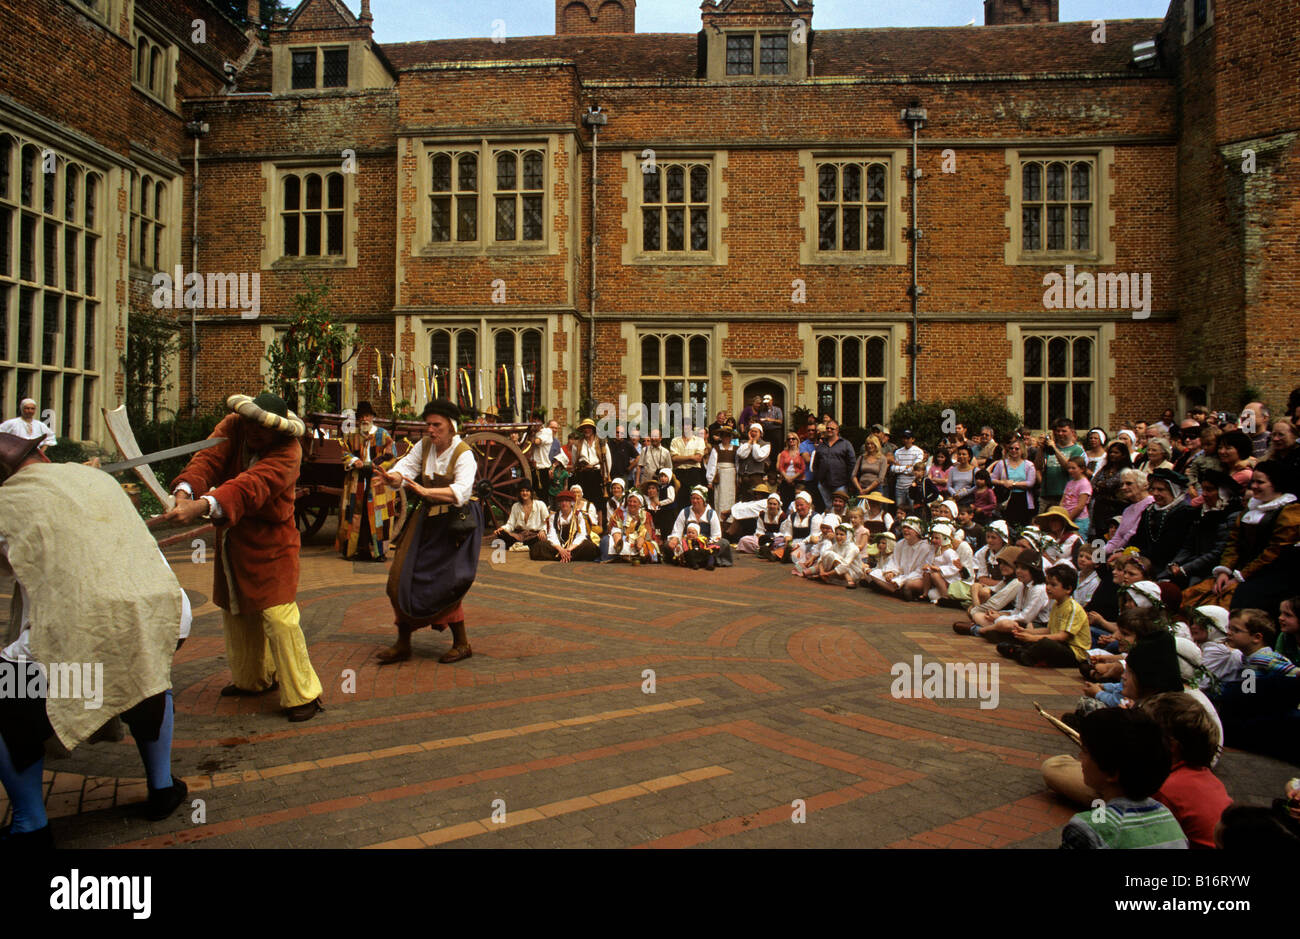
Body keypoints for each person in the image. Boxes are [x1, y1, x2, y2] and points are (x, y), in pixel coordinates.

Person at [0, 434, 188, 846]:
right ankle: (161, 789)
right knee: (148, 676)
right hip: (166, 612)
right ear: (43, 454)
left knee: (9, 692)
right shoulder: (98, 479)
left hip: (87, 631)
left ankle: (30, 825)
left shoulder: (7, 503)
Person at [167, 392, 324, 720]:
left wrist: (203, 505)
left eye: (262, 428)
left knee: (279, 618)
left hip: (272, 545)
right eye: (251, 423)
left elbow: (251, 485)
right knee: (237, 612)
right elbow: (206, 460)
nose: (253, 431)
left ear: (278, 431)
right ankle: (252, 680)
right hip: (234, 541)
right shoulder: (235, 425)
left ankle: (303, 694)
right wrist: (184, 491)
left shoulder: (288, 451)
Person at [372, 399, 481, 665]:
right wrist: (393, 478)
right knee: (400, 577)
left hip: (456, 524)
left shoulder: (463, 454)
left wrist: (425, 491)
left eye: (437, 425)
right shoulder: (424, 446)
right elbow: (404, 470)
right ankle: (403, 642)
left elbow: (462, 491)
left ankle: (462, 643)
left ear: (452, 427)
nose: (431, 430)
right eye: (428, 425)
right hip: (426, 520)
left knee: (447, 584)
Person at [1058, 708, 1188, 849]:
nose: (1080, 758)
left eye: (1085, 752)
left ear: (1112, 773)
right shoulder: (1166, 816)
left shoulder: (1088, 829)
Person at [1203, 461, 1300, 616]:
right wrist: (1224, 571)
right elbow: (1234, 542)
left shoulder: (1290, 511)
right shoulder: (1251, 507)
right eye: (1252, 482)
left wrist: (1240, 577)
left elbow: (1274, 552)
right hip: (1241, 570)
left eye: (1260, 482)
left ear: (1276, 484)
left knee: (1235, 602)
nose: (1253, 486)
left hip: (1271, 574)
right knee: (1203, 593)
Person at [336, 401, 398, 562]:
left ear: (372, 417)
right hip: (356, 482)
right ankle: (356, 549)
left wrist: (377, 466)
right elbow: (345, 453)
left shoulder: (383, 435)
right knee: (356, 514)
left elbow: (391, 456)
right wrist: (354, 460)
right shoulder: (352, 435)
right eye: (361, 416)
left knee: (379, 515)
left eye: (367, 416)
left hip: (376, 481)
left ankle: (379, 552)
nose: (364, 419)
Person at [996, 564, 1091, 668]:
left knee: (1045, 643)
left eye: (1053, 585)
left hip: (1074, 653)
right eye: (1047, 584)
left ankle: (1022, 654)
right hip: (1060, 645)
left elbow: (1062, 636)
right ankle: (1023, 653)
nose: (1048, 588)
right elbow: (1050, 630)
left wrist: (1033, 638)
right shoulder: (1056, 604)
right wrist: (1026, 632)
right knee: (1028, 637)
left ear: (1068, 589)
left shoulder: (1072, 608)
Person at [867, 516, 931, 600]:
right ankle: (896, 591)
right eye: (904, 527)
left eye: (909, 528)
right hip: (899, 576)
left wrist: (901, 580)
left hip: (914, 578)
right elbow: (894, 561)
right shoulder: (900, 543)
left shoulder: (925, 547)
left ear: (917, 531)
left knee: (909, 583)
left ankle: (891, 589)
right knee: (875, 573)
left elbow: (920, 571)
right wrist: (891, 572)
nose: (905, 530)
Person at [667, 487, 729, 568]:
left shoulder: (711, 513)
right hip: (688, 543)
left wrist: (705, 543)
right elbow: (677, 530)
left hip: (706, 544)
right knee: (667, 545)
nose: (695, 501)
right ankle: (701, 560)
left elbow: (716, 535)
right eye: (693, 498)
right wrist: (675, 539)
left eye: (698, 498)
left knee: (724, 543)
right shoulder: (685, 512)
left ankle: (694, 559)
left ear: (703, 500)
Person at [532, 490, 599, 562]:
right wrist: (560, 549)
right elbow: (552, 535)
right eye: (562, 501)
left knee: (590, 547)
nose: (564, 503)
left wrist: (568, 549)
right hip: (558, 546)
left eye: (567, 501)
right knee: (539, 547)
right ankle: (567, 556)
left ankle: (563, 556)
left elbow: (581, 535)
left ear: (571, 503)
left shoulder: (579, 515)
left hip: (574, 546)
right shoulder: (553, 517)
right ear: (559, 504)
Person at [1105, 468, 1155, 555]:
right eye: (1122, 484)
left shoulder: (1151, 504)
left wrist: (1115, 552)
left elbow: (1131, 535)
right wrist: (1098, 554)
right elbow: (1117, 538)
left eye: (1129, 483)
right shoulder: (1127, 510)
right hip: (1120, 552)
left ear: (1143, 485)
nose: (1123, 488)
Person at [989, 436, 1037, 526]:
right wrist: (1003, 482)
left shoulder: (1029, 465)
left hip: (1023, 499)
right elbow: (992, 479)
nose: (1013, 450)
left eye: (1017, 448)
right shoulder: (1002, 464)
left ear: (1022, 450)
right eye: (1011, 448)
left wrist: (1013, 484)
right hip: (1006, 498)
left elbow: (1030, 483)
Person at [601, 490, 658, 563]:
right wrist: (618, 539)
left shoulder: (645, 515)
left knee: (648, 546)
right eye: (630, 501)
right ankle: (617, 557)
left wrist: (641, 538)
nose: (631, 504)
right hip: (621, 537)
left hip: (638, 538)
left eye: (635, 502)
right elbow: (614, 526)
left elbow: (648, 531)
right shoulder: (620, 512)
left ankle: (631, 557)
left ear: (640, 504)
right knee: (606, 541)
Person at [812, 418, 856, 512]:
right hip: (824, 483)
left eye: (832, 428)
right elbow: (816, 463)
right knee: (829, 507)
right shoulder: (821, 445)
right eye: (827, 428)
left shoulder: (845, 444)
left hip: (840, 483)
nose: (829, 430)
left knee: (841, 508)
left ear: (837, 430)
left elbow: (852, 464)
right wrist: (818, 478)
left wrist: (850, 482)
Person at [494, 480, 548, 552]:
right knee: (501, 534)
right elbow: (511, 524)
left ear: (531, 493)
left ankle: (518, 545)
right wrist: (502, 529)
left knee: (540, 539)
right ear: (519, 493)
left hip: (535, 535)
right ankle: (524, 545)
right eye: (522, 491)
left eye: (527, 491)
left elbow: (548, 522)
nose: (524, 493)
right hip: (520, 535)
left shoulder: (540, 504)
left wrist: (543, 531)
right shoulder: (515, 506)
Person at [669, 423, 708, 510]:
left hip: (694, 473)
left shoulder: (699, 440)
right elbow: (674, 459)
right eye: (684, 425)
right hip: (680, 474)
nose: (686, 427)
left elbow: (698, 458)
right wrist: (691, 457)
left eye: (689, 425)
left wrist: (681, 459)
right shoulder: (675, 441)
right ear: (681, 427)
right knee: (680, 500)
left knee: (695, 498)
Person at [737, 492, 786, 557]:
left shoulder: (782, 516)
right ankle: (765, 550)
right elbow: (759, 530)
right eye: (770, 504)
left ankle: (766, 551)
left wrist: (771, 536)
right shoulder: (763, 514)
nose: (772, 506)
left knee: (781, 542)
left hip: (775, 539)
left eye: (774, 504)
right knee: (744, 540)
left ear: (778, 506)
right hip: (763, 539)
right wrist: (761, 537)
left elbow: (783, 533)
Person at [1059, 456, 1093, 540]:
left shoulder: (1084, 483)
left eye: (1073, 468)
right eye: (1069, 468)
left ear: (1081, 469)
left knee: (1078, 541)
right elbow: (1063, 500)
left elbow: (1080, 506)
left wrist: (1069, 519)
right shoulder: (1070, 483)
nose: (1070, 470)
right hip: (1066, 518)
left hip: (1079, 520)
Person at [889, 429, 925, 509]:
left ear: (913, 439)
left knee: (913, 509)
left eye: (908, 438)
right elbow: (893, 469)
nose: (905, 440)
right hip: (899, 486)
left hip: (911, 485)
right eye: (904, 438)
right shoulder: (898, 452)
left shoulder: (918, 451)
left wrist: (901, 468)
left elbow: (915, 469)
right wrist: (906, 467)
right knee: (899, 509)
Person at [734, 423, 769, 502]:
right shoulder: (744, 443)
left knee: (756, 499)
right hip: (743, 477)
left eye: (756, 432)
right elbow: (741, 454)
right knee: (744, 499)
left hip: (756, 477)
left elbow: (758, 456)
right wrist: (749, 442)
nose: (753, 433)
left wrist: (755, 443)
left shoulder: (766, 445)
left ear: (761, 433)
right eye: (752, 431)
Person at [776, 431, 807, 507]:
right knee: (785, 502)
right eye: (789, 439)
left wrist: (792, 478)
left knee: (798, 502)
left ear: (797, 440)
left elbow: (803, 468)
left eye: (793, 439)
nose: (791, 440)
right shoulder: (783, 453)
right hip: (785, 480)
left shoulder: (801, 452)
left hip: (798, 480)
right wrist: (787, 478)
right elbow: (780, 467)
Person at [531, 418, 558, 496]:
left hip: (542, 469)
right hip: (531, 468)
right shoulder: (533, 432)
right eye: (534, 421)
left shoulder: (547, 431)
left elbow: (537, 442)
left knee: (542, 496)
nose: (535, 423)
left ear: (542, 423)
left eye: (538, 421)